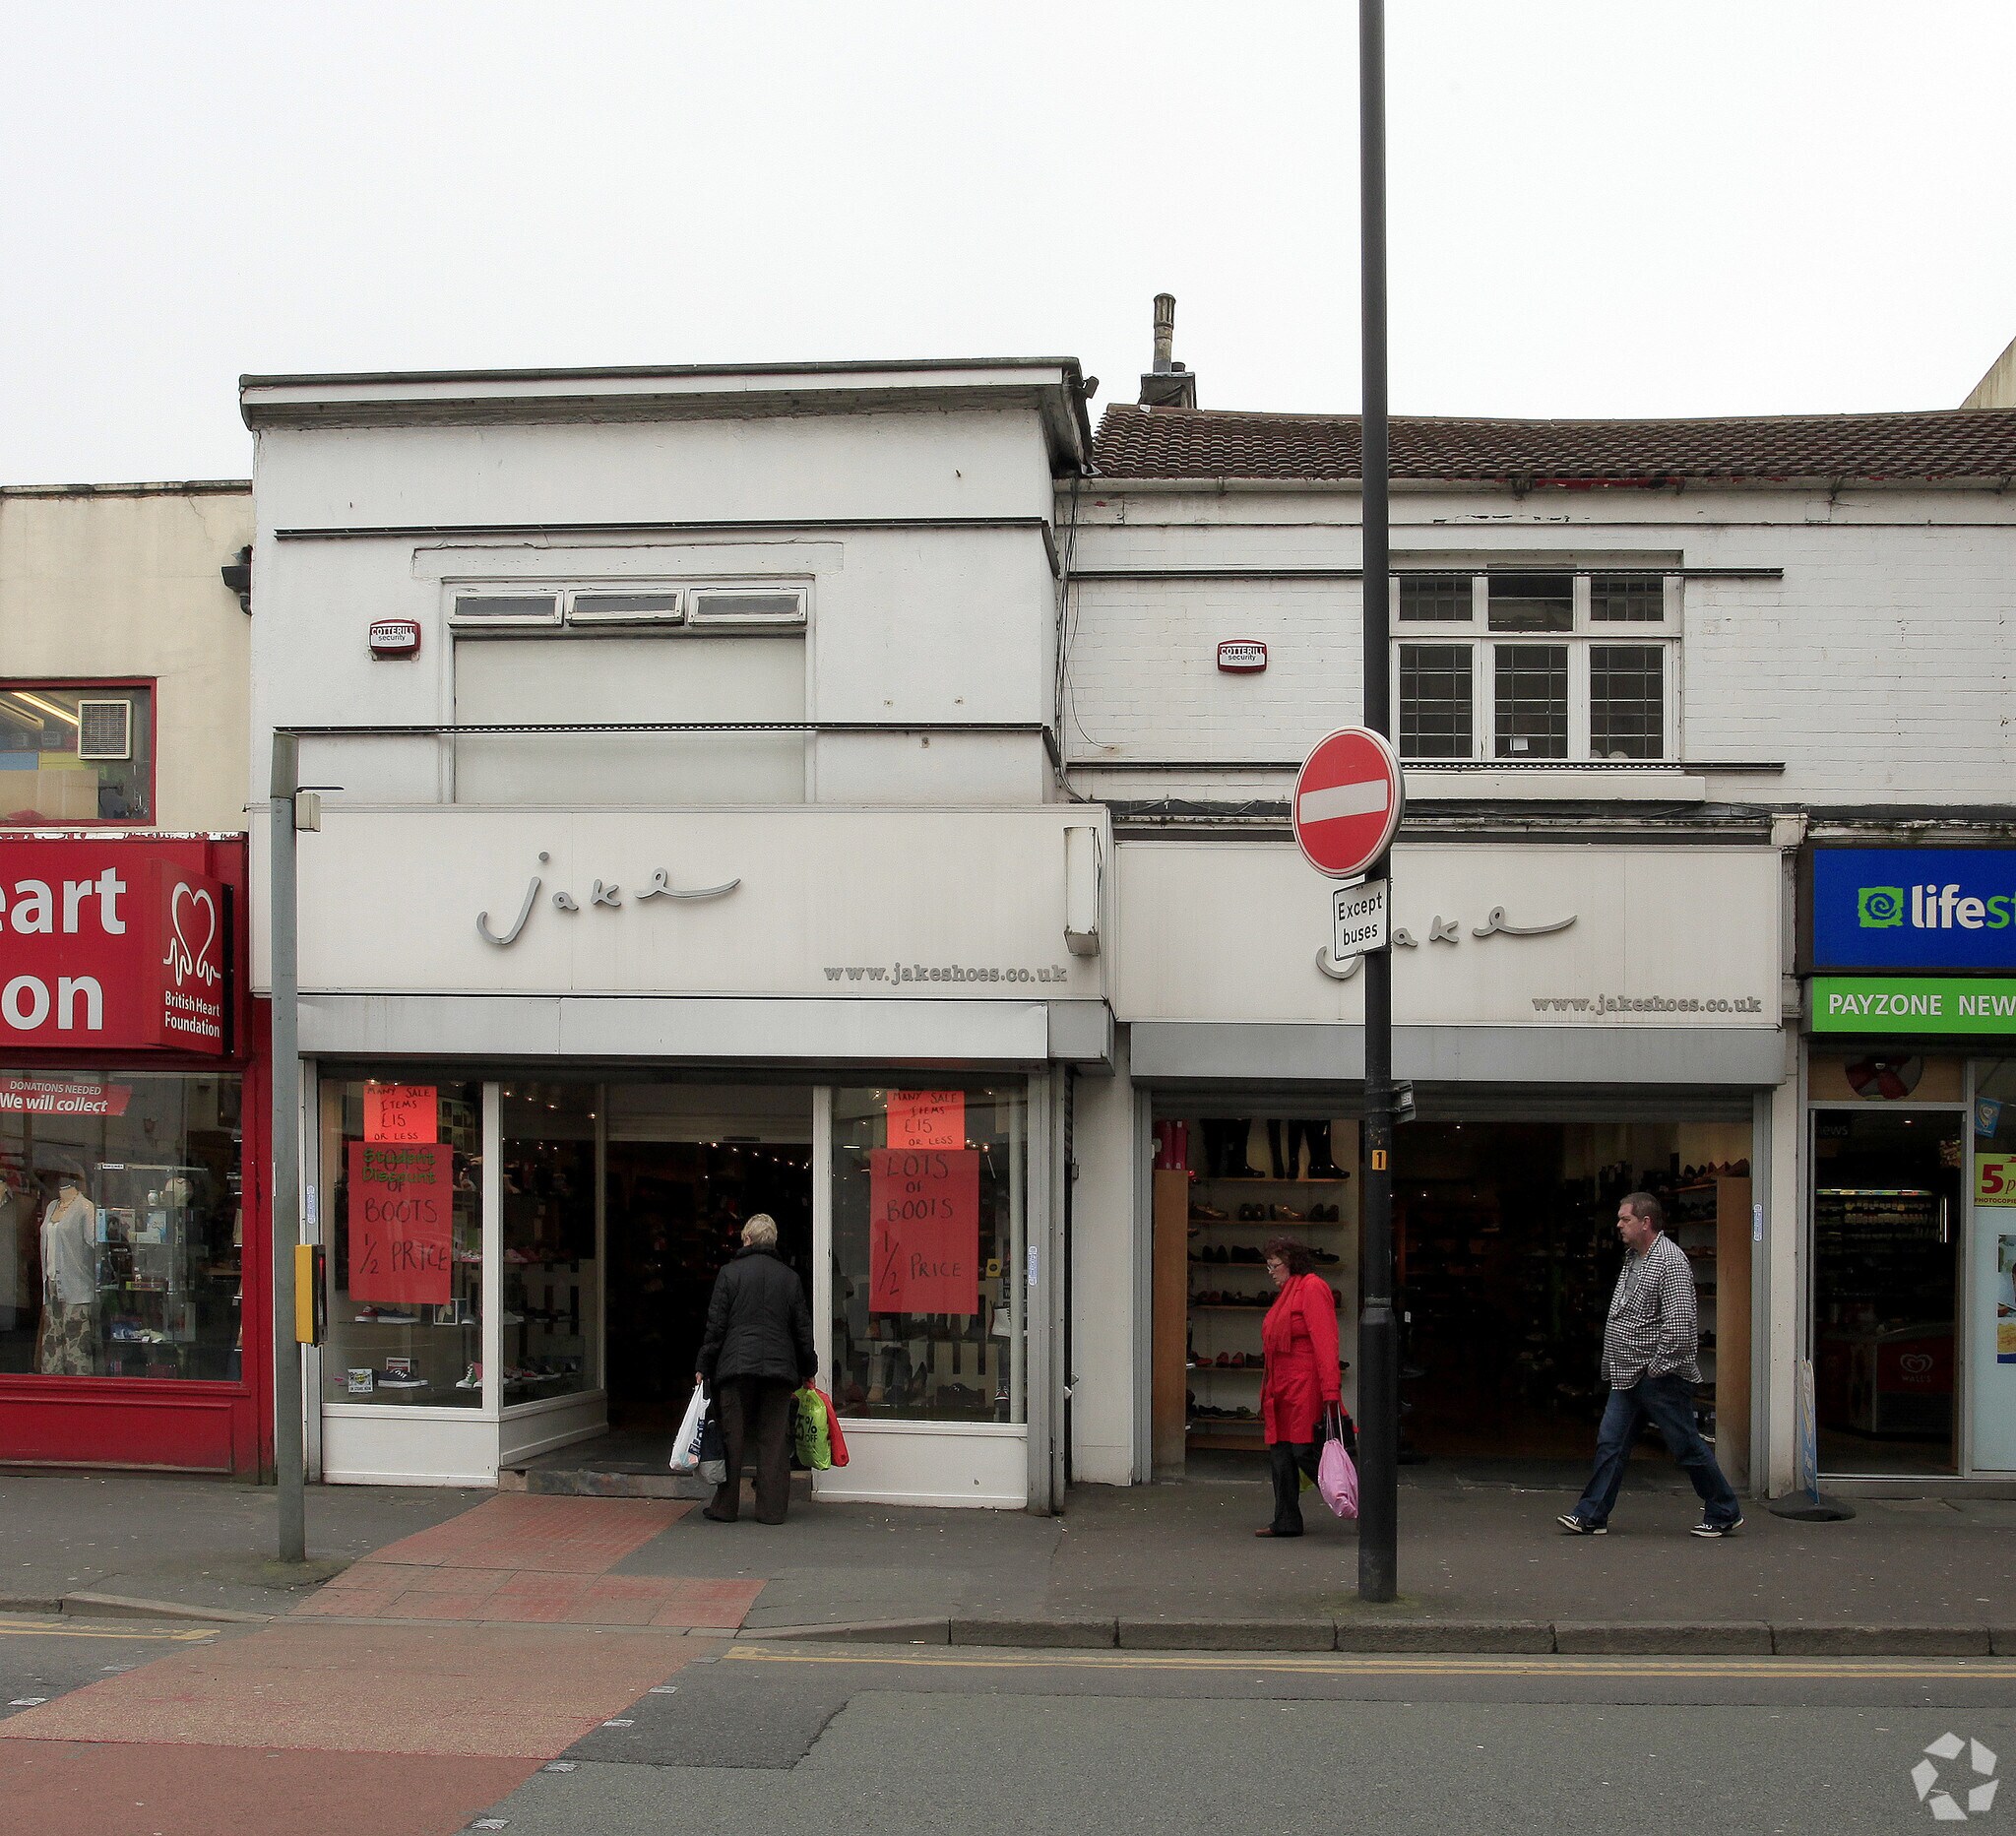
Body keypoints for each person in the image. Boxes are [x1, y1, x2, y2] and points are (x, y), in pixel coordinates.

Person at [1558, 1190, 1744, 1539]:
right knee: (1611, 1444)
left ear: (1646, 1222)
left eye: (1625, 1219)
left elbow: (1681, 1324)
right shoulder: (1633, 1258)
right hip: (1629, 1375)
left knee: (1685, 1446)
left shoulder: (1670, 1261)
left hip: (1659, 1377)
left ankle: (1724, 1510)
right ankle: (1591, 1515)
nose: (1618, 1225)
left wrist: (1656, 1368)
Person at [695, 1213, 816, 1525]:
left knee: (732, 1436)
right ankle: (771, 1511)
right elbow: (802, 1330)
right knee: (774, 1439)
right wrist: (809, 1368)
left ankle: (725, 1507)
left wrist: (704, 1364)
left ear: (747, 1239)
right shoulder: (789, 1278)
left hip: (736, 1368)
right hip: (779, 1370)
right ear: (772, 1242)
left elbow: (716, 1326)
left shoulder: (729, 1274)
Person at [1255, 1235, 1351, 1538]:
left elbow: (1326, 1342)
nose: (1271, 1272)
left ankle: (1355, 1500)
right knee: (1281, 1453)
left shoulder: (1311, 1288)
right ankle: (1286, 1520)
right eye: (1269, 1266)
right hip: (1284, 1387)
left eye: (1274, 1266)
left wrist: (1330, 1390)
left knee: (1304, 1451)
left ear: (1290, 1263)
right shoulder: (1289, 1292)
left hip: (1304, 1386)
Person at [37, 1169, 98, 1376]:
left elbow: (95, 1245)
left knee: (76, 1346)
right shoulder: (52, 1206)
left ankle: (80, 1390)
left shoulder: (85, 1208)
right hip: (51, 1284)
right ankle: (51, 1387)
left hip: (77, 1285)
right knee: (52, 1343)